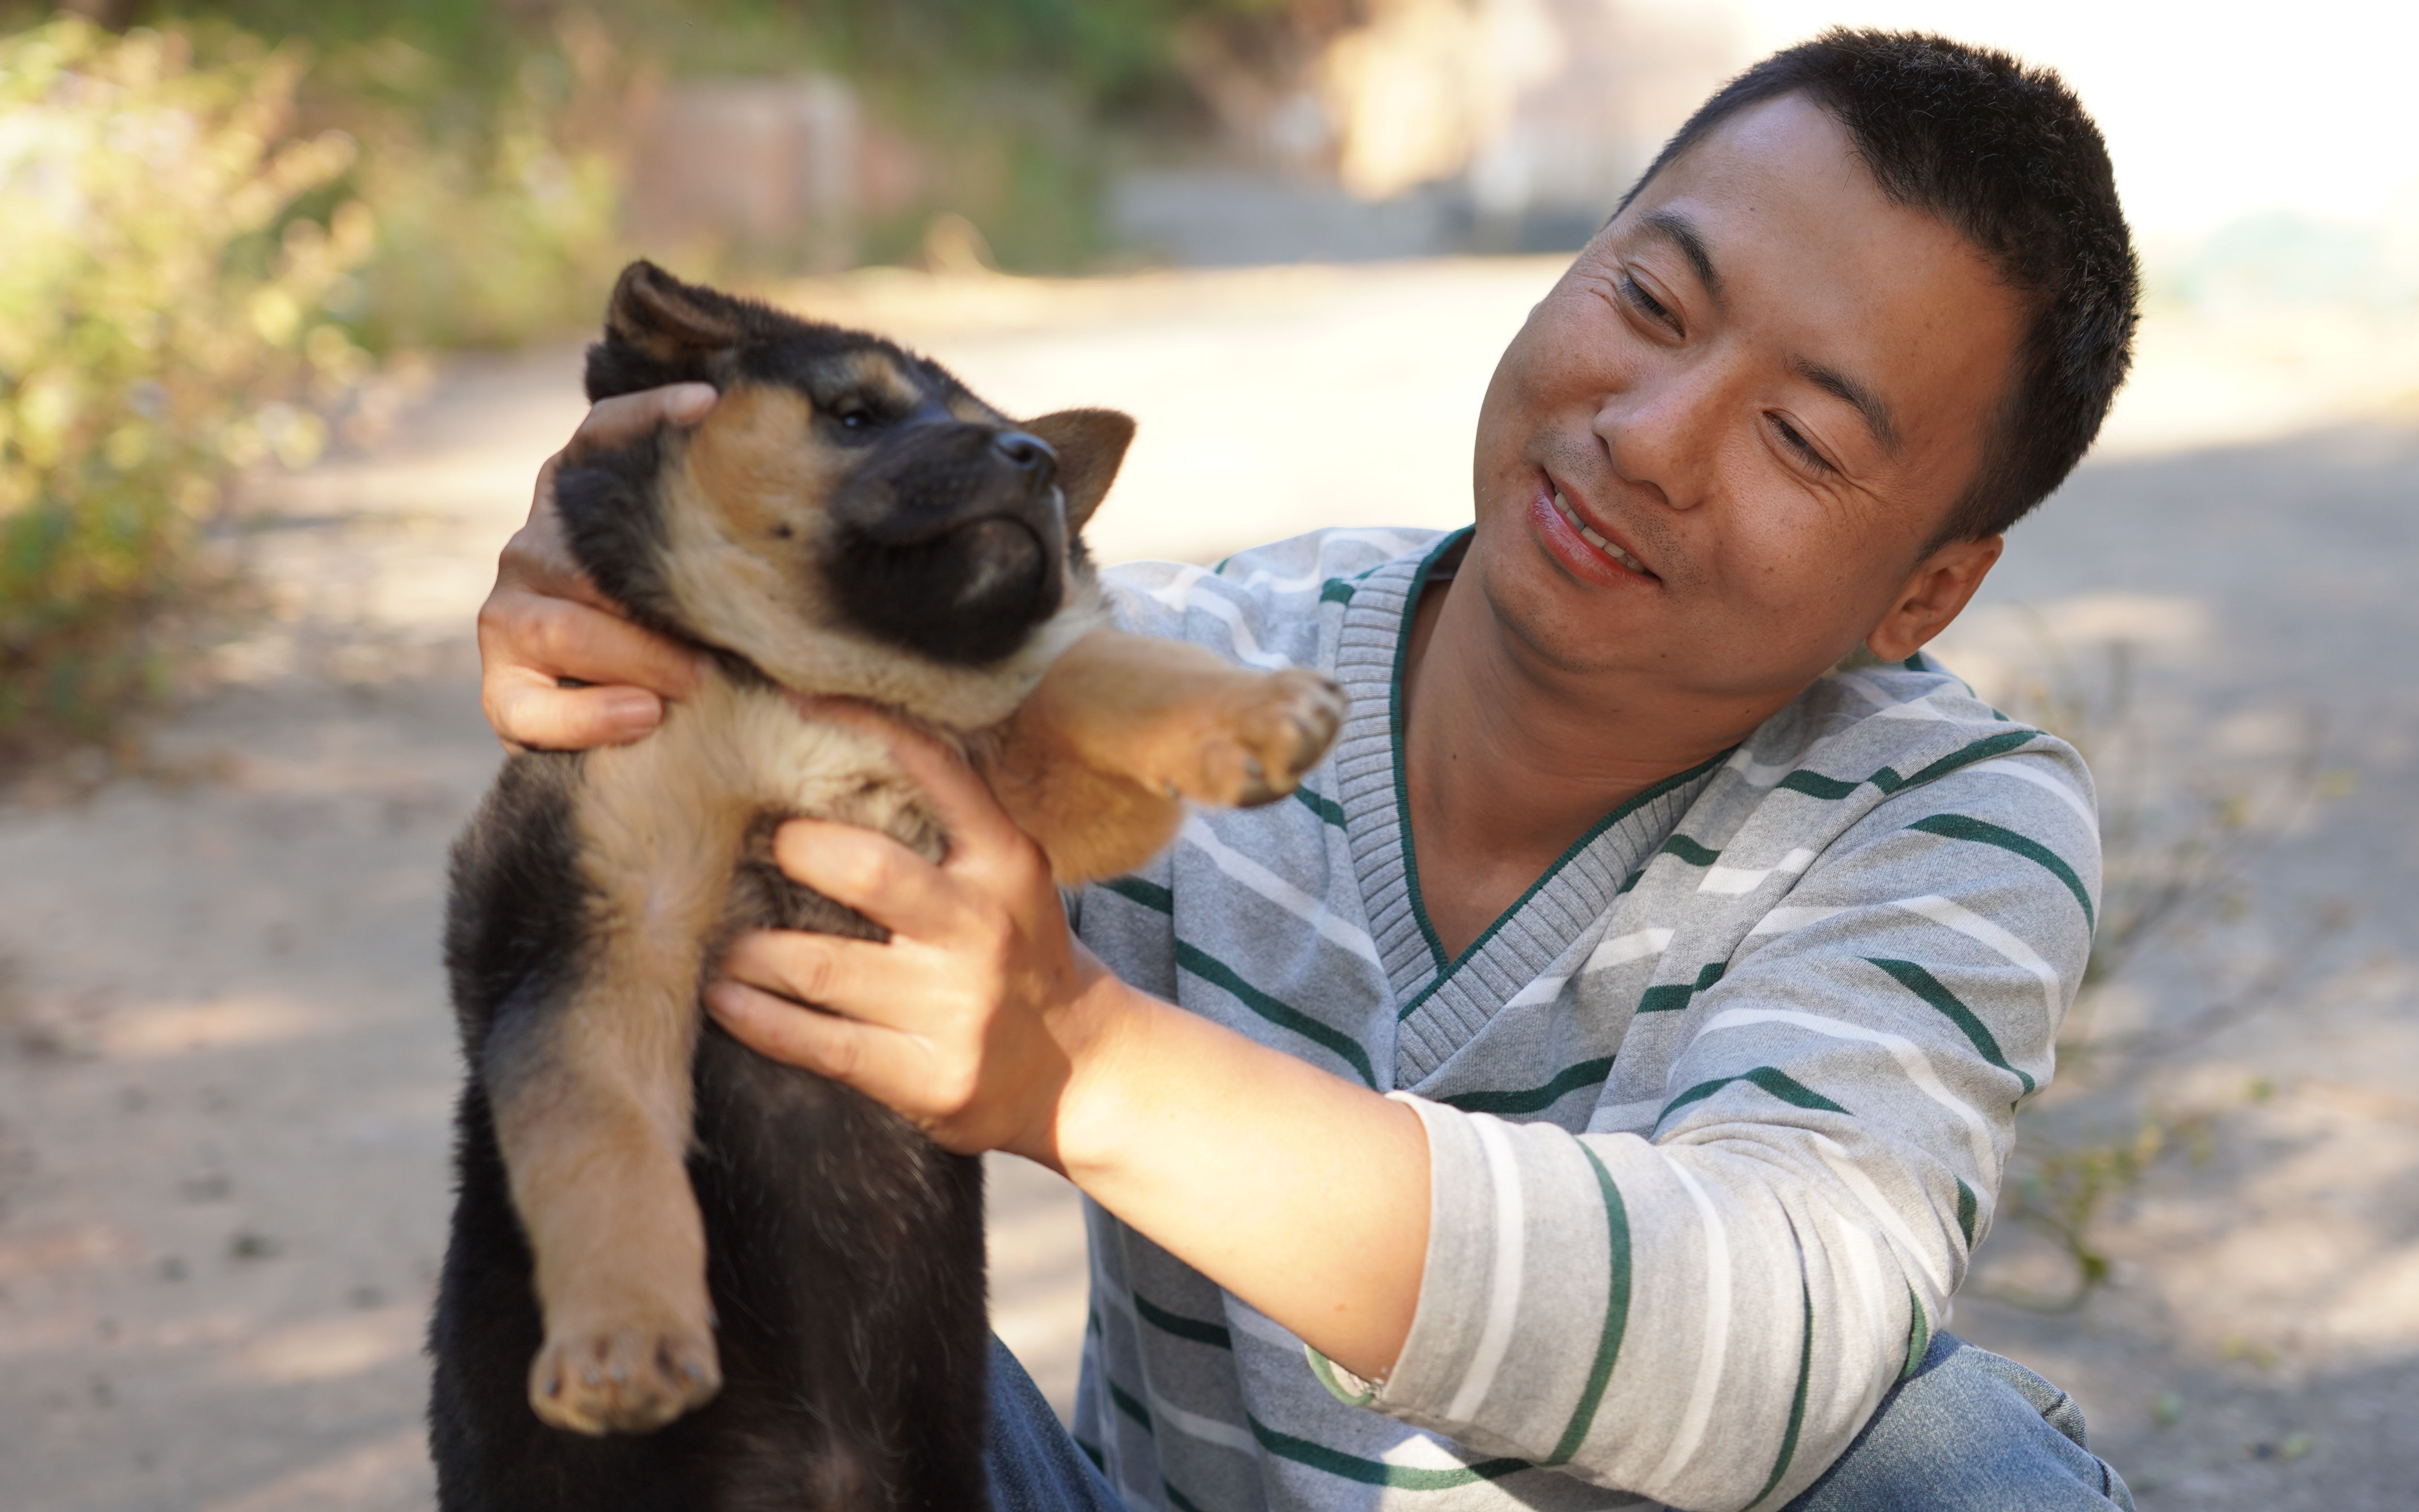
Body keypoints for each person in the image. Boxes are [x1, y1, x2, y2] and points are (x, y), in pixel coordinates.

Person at [476, 29, 2140, 1512]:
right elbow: (634, 923)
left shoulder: (1943, 818)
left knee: (1955, 1469)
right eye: (1648, 303)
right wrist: (636, 605)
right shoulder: (1188, 678)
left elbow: (1776, 1354)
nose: (1650, 433)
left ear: (1926, 589)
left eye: (1801, 440)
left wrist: (1085, 1070)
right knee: (700, 1276)